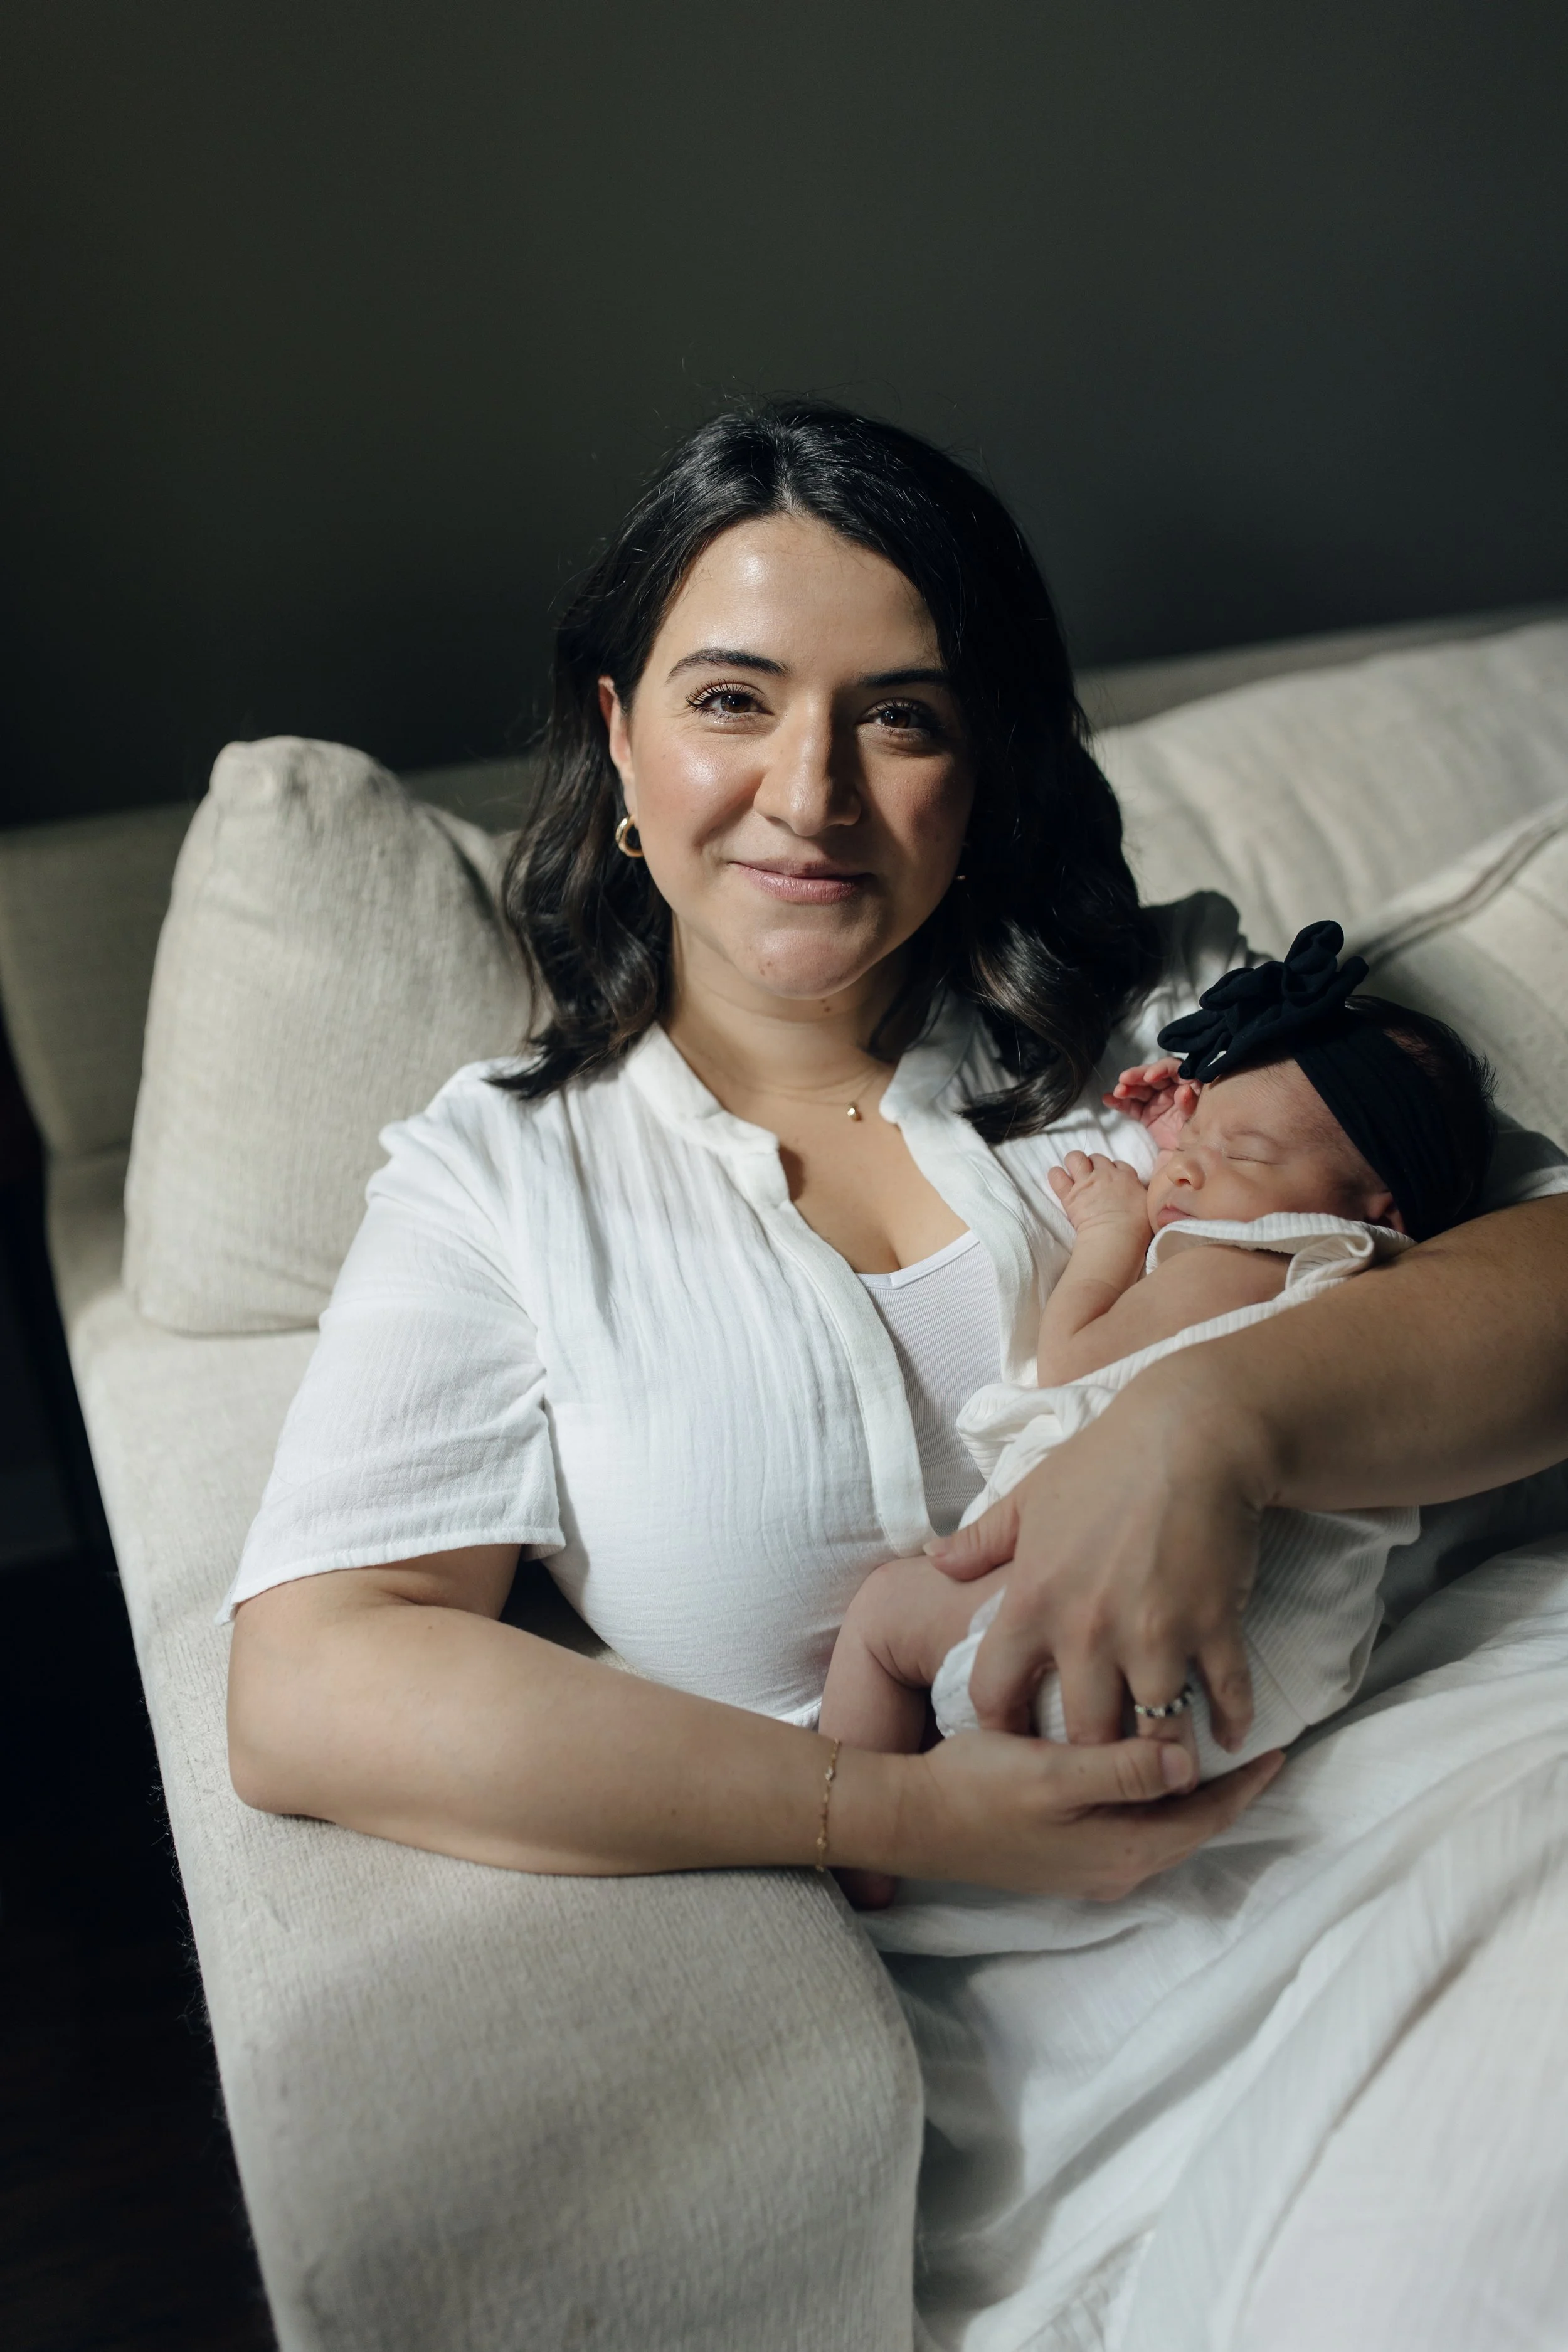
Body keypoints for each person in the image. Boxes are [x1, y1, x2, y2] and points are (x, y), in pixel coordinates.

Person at [223, 403, 1568, 2346]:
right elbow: (313, 1674)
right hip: (1070, 2007)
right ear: (618, 736)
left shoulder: (1169, 1024)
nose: (808, 793)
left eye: (900, 717)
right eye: (731, 699)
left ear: (985, 756)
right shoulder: (500, 1179)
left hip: (1463, 1762)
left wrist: (1213, 1417)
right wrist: (882, 1807)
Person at [819, 950, 1498, 1865]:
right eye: (1188, 1142)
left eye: (1242, 1154)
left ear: (1383, 1208)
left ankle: (854, 1865)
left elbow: (1073, 1364)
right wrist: (1207, 1142)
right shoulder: (1376, 1301)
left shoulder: (1247, 1259)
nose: (1179, 1172)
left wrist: (1112, 1234)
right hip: (1280, 1669)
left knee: (882, 1614)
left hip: (1112, 1649)